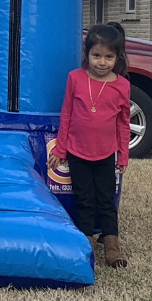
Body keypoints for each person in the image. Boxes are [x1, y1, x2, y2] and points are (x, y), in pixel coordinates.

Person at [48, 22, 131, 268]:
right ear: (87, 55)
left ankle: (112, 248)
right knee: (84, 199)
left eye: (109, 57)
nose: (102, 62)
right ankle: (85, 245)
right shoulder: (75, 78)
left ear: (117, 57)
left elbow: (123, 124)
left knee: (106, 200)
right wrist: (61, 149)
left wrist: (123, 156)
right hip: (76, 151)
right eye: (96, 56)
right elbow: (67, 114)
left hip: (106, 154)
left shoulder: (122, 86)